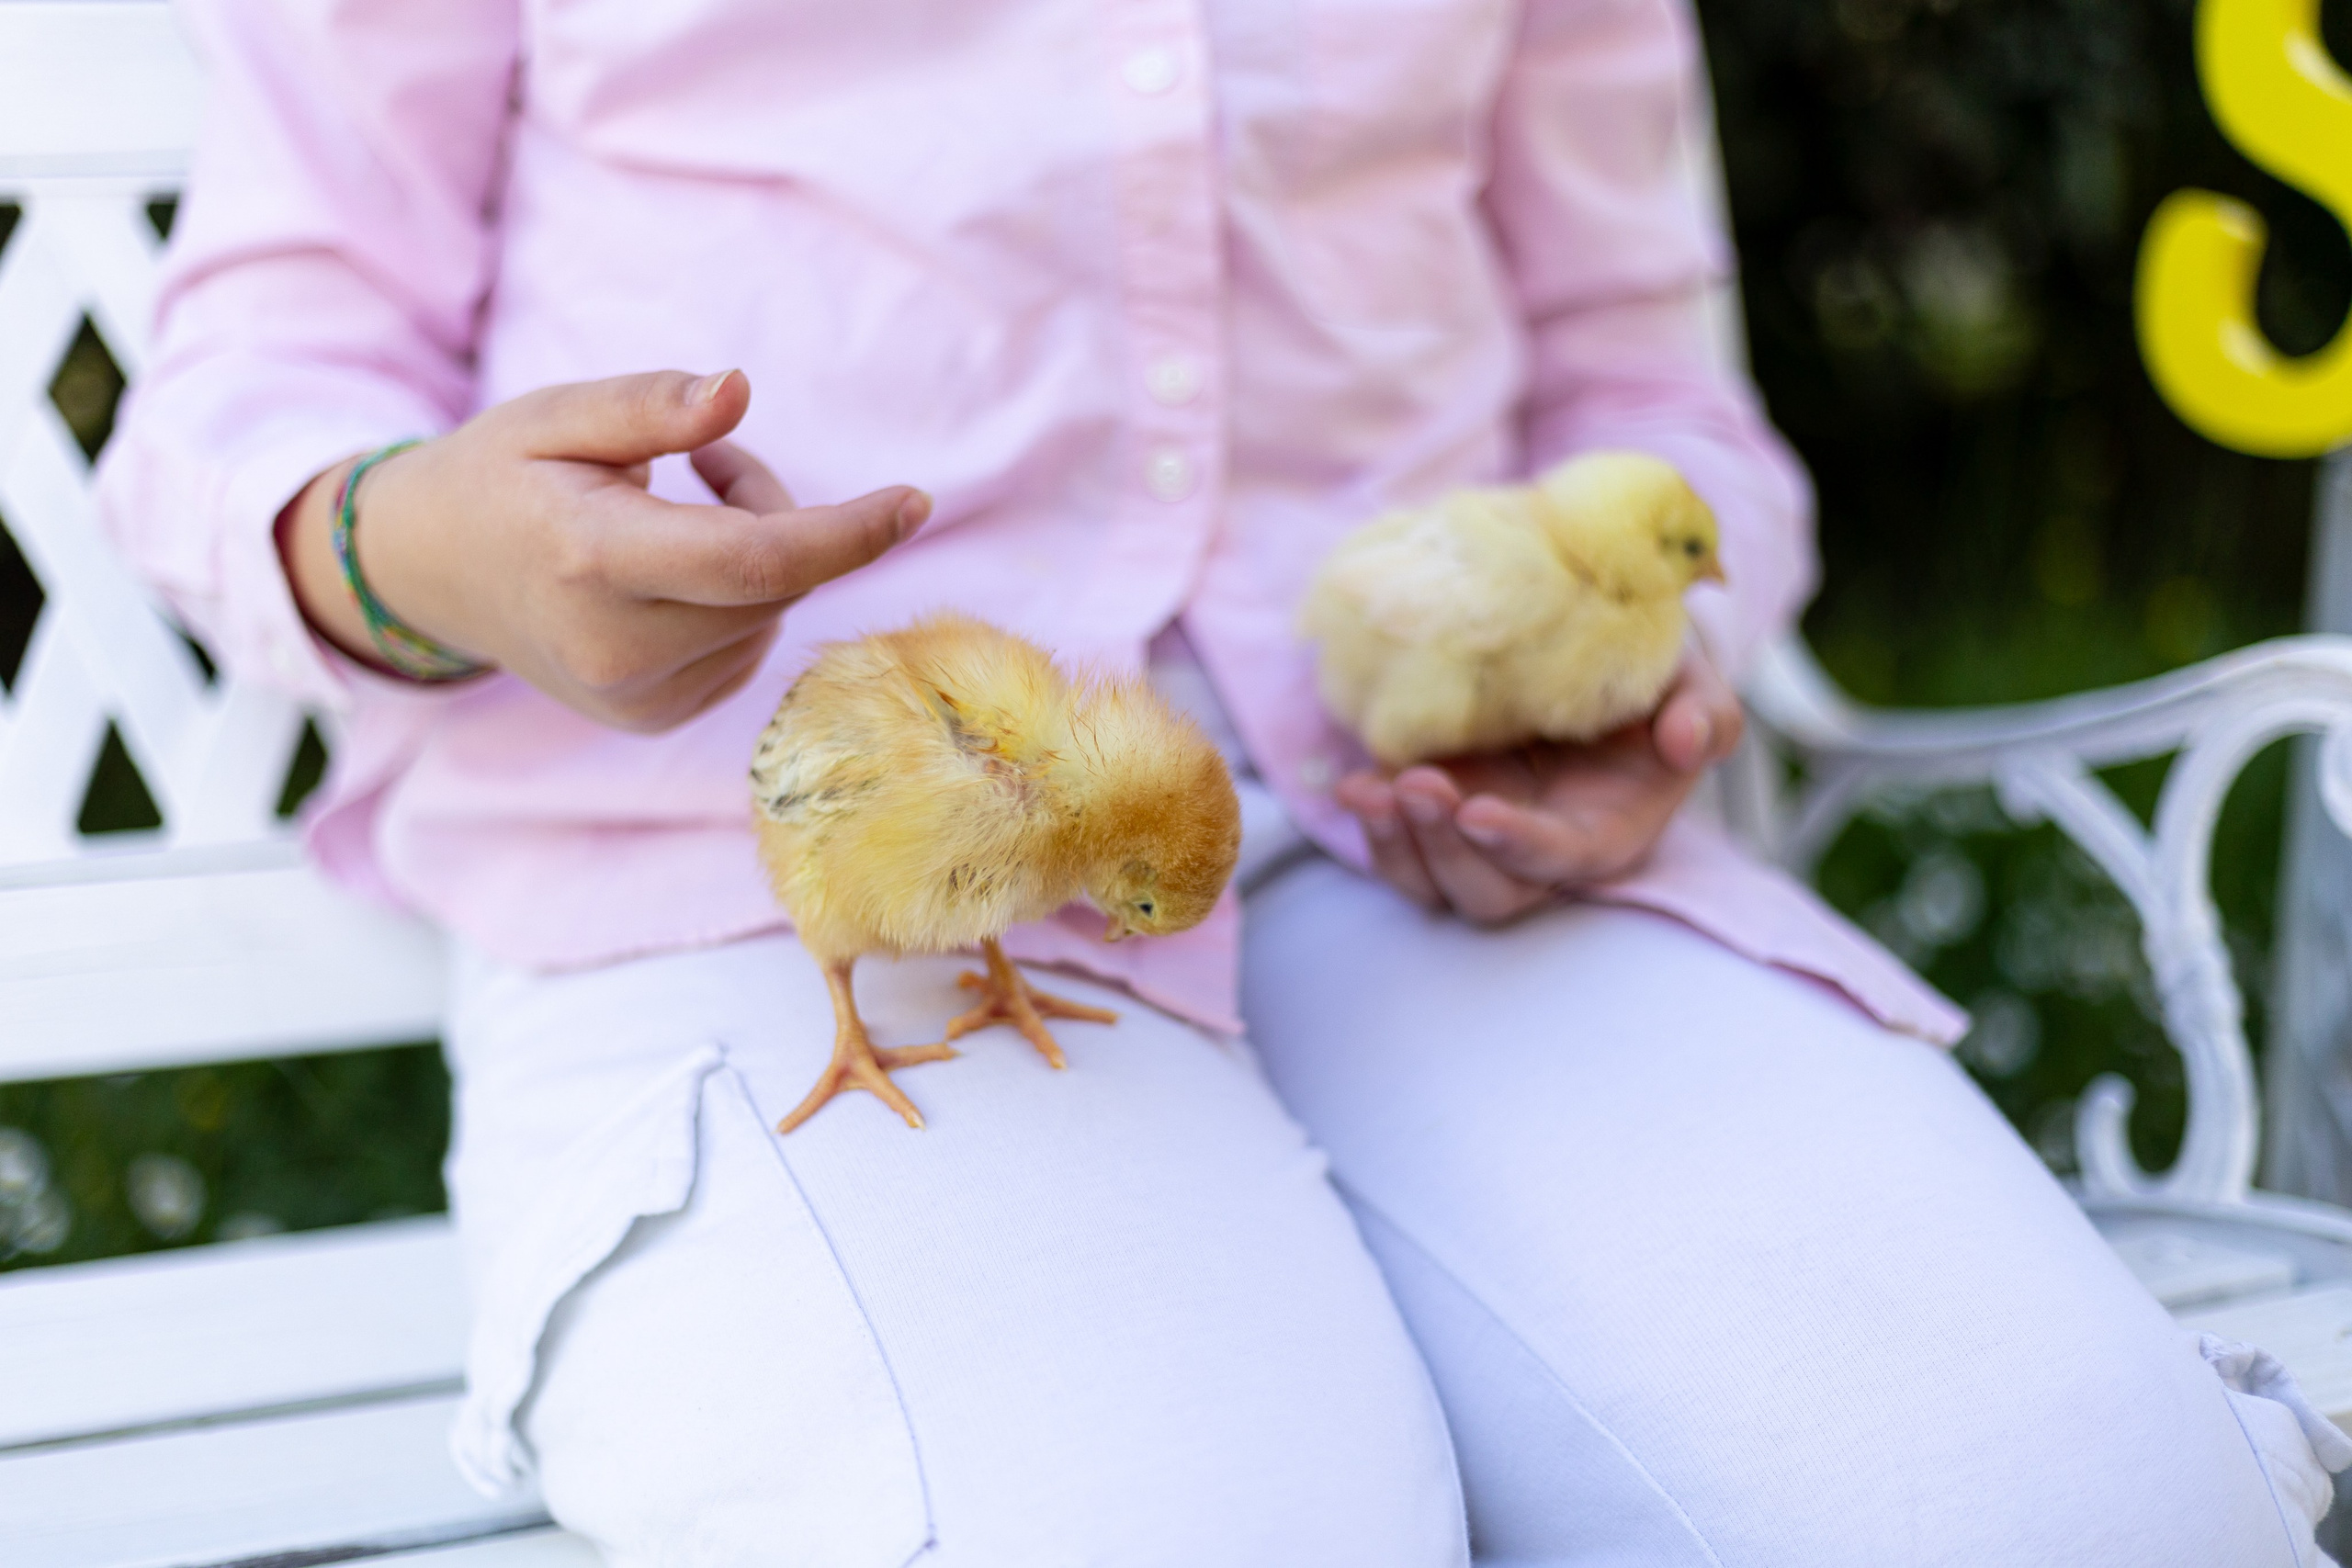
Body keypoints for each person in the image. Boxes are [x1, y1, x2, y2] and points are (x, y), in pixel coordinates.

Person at [99, 1, 2345, 1562]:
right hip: (779, 891)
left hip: (1432, 856)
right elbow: (259, 378)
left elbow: (1654, 387)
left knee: (2082, 1516)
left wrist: (1626, 666)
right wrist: (434, 548)